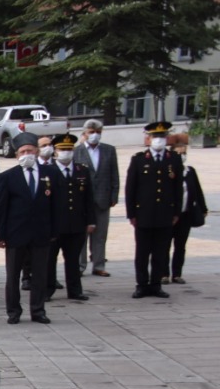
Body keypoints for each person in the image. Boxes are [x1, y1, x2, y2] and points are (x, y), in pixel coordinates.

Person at [0, 139, 56, 325]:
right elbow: (2, 208)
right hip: (15, 233)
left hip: (41, 232)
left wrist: (54, 230)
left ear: (36, 152)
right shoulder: (8, 177)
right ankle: (13, 311)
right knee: (13, 275)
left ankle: (38, 310)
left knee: (39, 274)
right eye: (22, 152)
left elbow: (56, 205)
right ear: (16, 155)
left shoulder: (50, 174)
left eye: (29, 150)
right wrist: (1, 235)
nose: (26, 154)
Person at [125, 121, 184, 299]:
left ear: (166, 138)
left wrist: (176, 213)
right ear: (148, 138)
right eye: (155, 137)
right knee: (142, 253)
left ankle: (156, 284)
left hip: (165, 214)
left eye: (161, 136)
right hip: (143, 214)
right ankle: (141, 284)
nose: (158, 140)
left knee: (161, 252)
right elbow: (131, 189)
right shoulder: (139, 159)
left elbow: (178, 188)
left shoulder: (173, 159)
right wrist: (131, 214)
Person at [48, 134, 96, 302]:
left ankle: (75, 290)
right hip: (54, 224)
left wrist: (91, 220)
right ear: (55, 151)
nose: (66, 152)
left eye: (69, 149)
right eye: (63, 149)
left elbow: (89, 198)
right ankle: (48, 289)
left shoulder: (81, 170)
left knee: (73, 260)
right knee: (49, 259)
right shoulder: (48, 171)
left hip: (76, 223)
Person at [79, 119, 119, 277]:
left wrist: (114, 194)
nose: (94, 135)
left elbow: (114, 174)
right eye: (91, 132)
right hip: (82, 201)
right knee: (82, 236)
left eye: (98, 132)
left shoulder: (109, 150)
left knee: (100, 234)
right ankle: (79, 265)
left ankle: (98, 264)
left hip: (103, 199)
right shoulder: (77, 151)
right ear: (85, 134)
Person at [171, 138, 207, 285]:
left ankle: (177, 274)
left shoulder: (190, 171)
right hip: (169, 215)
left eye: (184, 153)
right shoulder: (168, 171)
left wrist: (203, 208)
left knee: (180, 245)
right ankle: (163, 274)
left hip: (185, 214)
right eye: (178, 153)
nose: (182, 156)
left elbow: (197, 190)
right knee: (164, 245)